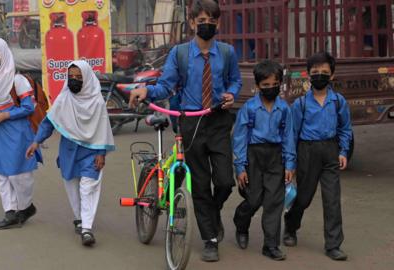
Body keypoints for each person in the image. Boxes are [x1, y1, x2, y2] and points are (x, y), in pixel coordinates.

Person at [129, 0, 242, 262]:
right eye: (201, 21)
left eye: (211, 21)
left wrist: (231, 93)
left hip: (218, 120)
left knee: (225, 181)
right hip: (191, 123)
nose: (206, 25)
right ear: (191, 23)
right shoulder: (179, 54)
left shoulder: (227, 52)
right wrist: (146, 90)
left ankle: (211, 216)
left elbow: (235, 80)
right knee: (201, 184)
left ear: (218, 23)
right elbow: (166, 86)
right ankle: (210, 239)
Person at [26, 60, 115, 247]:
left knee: (88, 188)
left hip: (91, 153)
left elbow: (102, 129)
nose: (74, 80)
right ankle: (79, 218)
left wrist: (101, 153)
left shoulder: (97, 101)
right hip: (69, 152)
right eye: (71, 77)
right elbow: (49, 122)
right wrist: (36, 142)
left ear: (87, 78)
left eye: (78, 77)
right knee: (72, 187)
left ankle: (87, 229)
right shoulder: (64, 98)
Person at [283, 52, 352, 261]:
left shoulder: (338, 102)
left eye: (324, 72)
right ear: (308, 75)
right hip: (307, 151)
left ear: (332, 75)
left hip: (330, 151)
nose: (319, 76)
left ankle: (333, 245)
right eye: (315, 72)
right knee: (303, 198)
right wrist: (291, 164)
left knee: (332, 199)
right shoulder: (300, 104)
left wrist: (343, 151)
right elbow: (291, 136)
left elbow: (345, 129)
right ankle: (290, 227)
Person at [232, 60, 296, 260]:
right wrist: (240, 167)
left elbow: (289, 137)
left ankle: (270, 245)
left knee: (274, 202)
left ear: (280, 84)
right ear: (257, 86)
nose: (270, 88)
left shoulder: (284, 109)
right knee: (253, 199)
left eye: (274, 84)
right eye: (265, 85)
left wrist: (290, 164)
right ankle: (241, 225)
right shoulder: (249, 109)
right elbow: (240, 138)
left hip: (275, 156)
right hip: (253, 156)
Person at [0, 37, 42, 230]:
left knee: (18, 174)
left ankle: (26, 207)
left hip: (17, 132)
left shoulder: (17, 80)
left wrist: (6, 114)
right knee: (2, 174)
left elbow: (28, 107)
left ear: (3, 55)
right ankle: (10, 213)